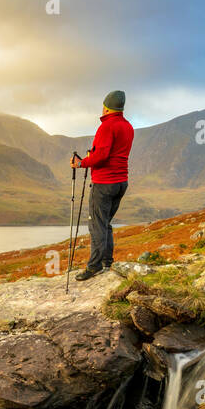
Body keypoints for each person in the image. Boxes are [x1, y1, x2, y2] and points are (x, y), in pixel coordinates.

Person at [71, 90, 133, 280]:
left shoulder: (107, 127)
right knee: (105, 223)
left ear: (106, 107)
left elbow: (102, 156)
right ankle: (107, 261)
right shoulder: (128, 126)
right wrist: (94, 155)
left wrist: (81, 163)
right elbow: (111, 153)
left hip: (104, 183)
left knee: (96, 225)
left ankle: (94, 267)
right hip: (121, 182)